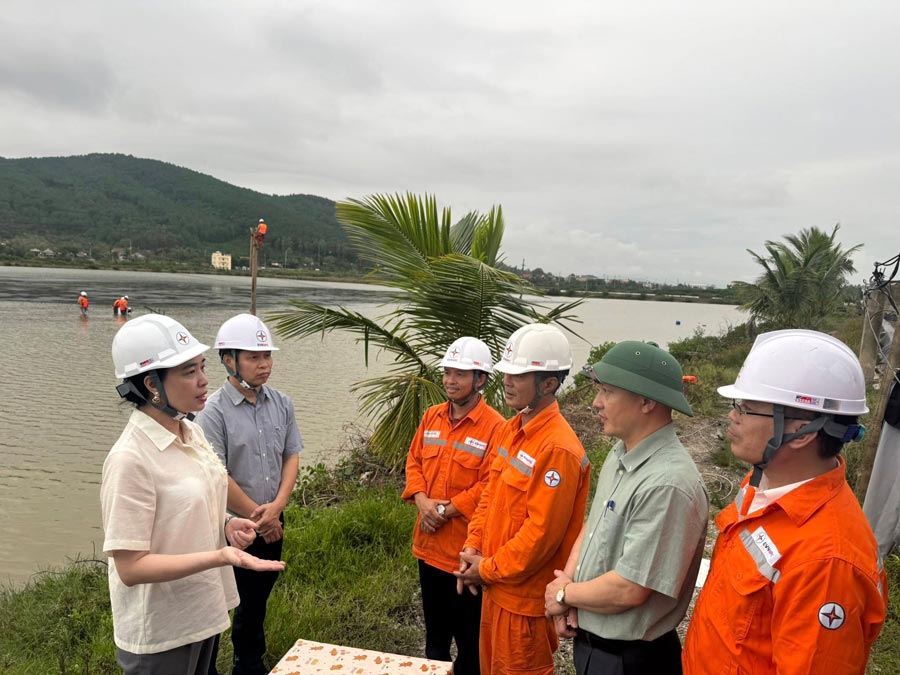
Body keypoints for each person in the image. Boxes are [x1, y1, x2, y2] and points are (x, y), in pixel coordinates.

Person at [682, 329, 888, 674]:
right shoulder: (763, 482)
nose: (733, 416)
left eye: (747, 408)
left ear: (802, 432)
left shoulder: (827, 563)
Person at [102, 314, 285, 675]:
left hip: (202, 610)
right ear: (152, 384)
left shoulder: (190, 432)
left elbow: (192, 507)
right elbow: (131, 567)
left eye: (201, 367)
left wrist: (228, 525)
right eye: (188, 372)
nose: (204, 380)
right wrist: (221, 555)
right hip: (162, 630)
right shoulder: (130, 458)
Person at [544, 341, 708, 675]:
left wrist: (563, 593)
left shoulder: (668, 483)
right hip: (593, 643)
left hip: (631, 660)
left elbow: (630, 589)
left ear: (647, 401)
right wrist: (570, 591)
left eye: (607, 391)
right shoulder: (622, 454)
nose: (596, 402)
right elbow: (594, 527)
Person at [456, 323, 590, 675]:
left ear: (548, 384)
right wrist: (471, 548)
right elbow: (490, 495)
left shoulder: (558, 449)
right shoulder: (510, 429)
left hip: (523, 603)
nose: (507, 382)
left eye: (518, 375)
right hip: (494, 590)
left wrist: (485, 568)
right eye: (506, 373)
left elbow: (540, 537)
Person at [195, 313, 302, 675]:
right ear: (229, 360)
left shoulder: (282, 403)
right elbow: (217, 475)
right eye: (254, 357)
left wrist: (278, 507)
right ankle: (205, 666)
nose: (264, 365)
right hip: (230, 524)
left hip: (273, 518)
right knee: (217, 600)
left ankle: (249, 661)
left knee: (256, 599)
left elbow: (291, 455)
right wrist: (261, 516)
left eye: (267, 356)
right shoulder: (212, 412)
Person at [402, 337, 505, 675]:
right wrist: (422, 502)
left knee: (470, 646)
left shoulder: (496, 428)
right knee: (434, 641)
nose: (450, 380)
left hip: (465, 555)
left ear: (480, 380)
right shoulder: (432, 417)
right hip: (428, 549)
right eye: (447, 372)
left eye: (460, 374)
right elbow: (414, 461)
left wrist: (445, 510)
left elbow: (491, 484)